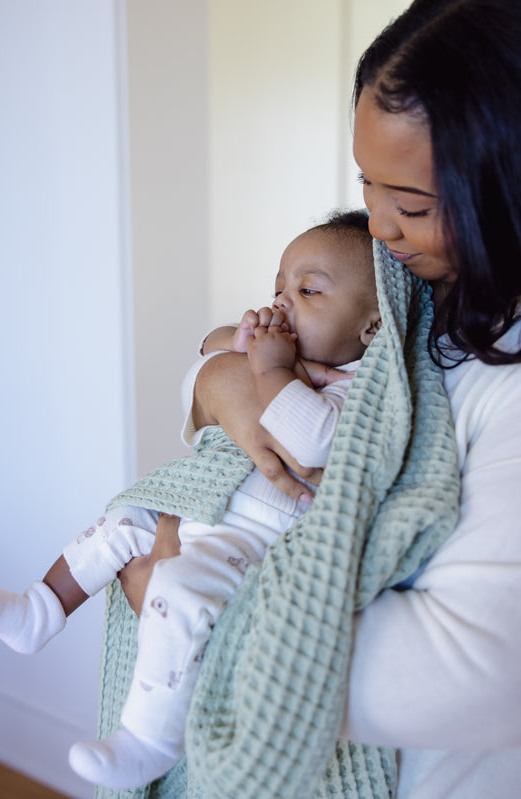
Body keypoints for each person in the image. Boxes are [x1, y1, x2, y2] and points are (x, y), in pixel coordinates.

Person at [111, 1, 521, 797]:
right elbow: (223, 362)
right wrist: (227, 386)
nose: (376, 226)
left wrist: (190, 618)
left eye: (410, 206)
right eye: (367, 186)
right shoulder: (416, 286)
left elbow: (477, 670)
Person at [0, 211, 381, 789]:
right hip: (207, 509)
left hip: (250, 543)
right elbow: (207, 359)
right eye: (277, 287)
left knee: (173, 586)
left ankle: (148, 740)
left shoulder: (363, 387)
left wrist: (269, 367)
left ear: (371, 327)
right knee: (121, 522)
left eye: (308, 290)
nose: (282, 303)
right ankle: (37, 612)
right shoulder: (284, 356)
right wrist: (238, 343)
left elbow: (310, 441)